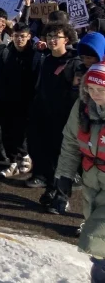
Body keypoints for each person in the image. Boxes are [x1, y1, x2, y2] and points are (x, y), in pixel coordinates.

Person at [53, 62, 105, 282]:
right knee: (98, 247)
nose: (94, 95)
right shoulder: (83, 106)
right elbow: (71, 142)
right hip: (91, 180)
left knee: (96, 239)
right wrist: (63, 176)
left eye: (101, 90)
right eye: (90, 89)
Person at [27, 22, 81, 203]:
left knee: (60, 156)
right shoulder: (46, 59)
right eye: (49, 36)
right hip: (42, 114)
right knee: (42, 151)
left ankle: (58, 193)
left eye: (56, 37)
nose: (51, 40)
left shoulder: (74, 62)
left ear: (66, 39)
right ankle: (48, 183)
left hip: (63, 118)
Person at [0, 22, 40, 177]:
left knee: (23, 133)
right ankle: (13, 162)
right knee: (7, 132)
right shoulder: (7, 52)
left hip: (28, 101)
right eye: (16, 36)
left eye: (23, 36)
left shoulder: (36, 54)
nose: (19, 39)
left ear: (29, 37)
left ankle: (25, 156)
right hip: (8, 99)